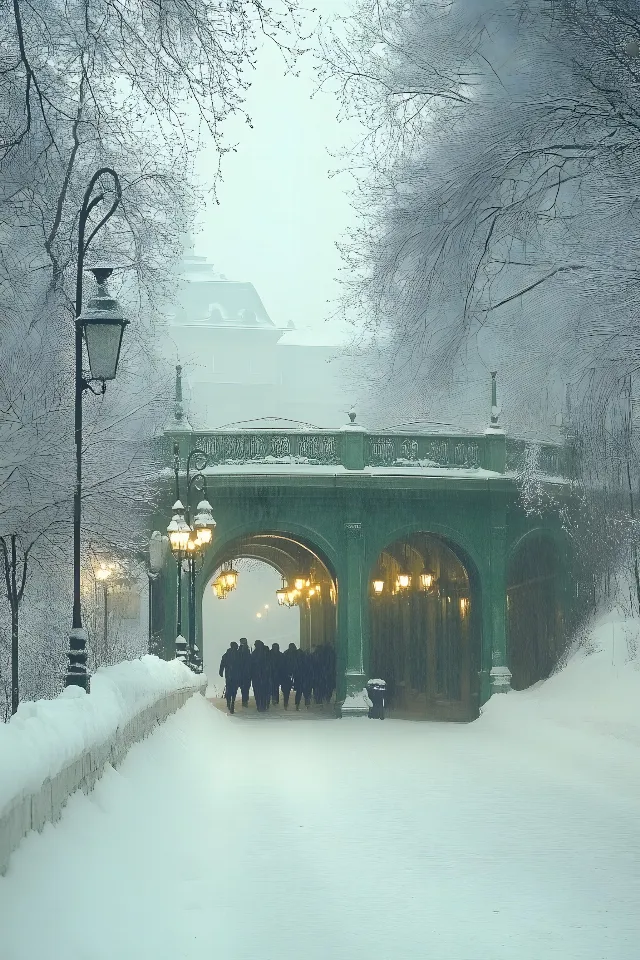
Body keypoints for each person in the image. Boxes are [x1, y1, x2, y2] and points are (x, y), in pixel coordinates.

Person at [219, 642, 240, 714]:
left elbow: (222, 664)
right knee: (234, 690)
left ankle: (229, 702)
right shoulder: (238, 654)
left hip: (229, 675)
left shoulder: (226, 655)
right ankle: (232, 702)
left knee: (229, 688)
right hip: (235, 675)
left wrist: (221, 672)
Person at [251, 639, 271, 712]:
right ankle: (263, 704)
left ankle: (260, 705)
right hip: (263, 675)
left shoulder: (255, 653)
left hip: (258, 675)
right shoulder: (266, 652)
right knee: (263, 691)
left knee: (259, 691)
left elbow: (252, 665)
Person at [280, 642, 297, 710]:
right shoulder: (296, 654)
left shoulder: (285, 654)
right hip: (293, 674)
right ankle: (293, 702)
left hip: (286, 674)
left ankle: (286, 702)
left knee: (286, 690)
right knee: (288, 689)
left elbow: (282, 664)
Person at [237, 637, 252, 707]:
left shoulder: (238, 651)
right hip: (247, 672)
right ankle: (245, 700)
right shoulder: (248, 651)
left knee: (243, 687)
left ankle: (245, 700)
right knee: (246, 687)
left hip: (241, 672)